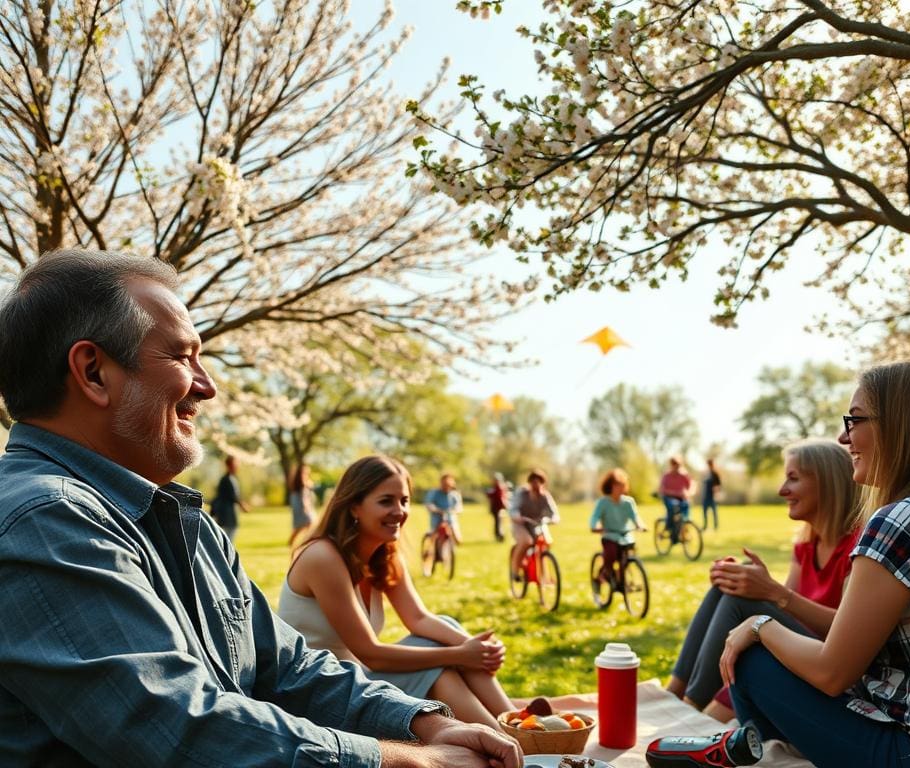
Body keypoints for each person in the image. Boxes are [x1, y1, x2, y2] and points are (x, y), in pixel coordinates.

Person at [0, 249, 521, 768]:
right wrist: (413, 761)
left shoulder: (186, 524)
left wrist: (426, 723)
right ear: (93, 372)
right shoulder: (45, 522)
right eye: (182, 357)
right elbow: (178, 730)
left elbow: (287, 667)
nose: (208, 386)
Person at [720, 359, 910, 768]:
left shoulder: (906, 519)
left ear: (903, 425)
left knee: (750, 660)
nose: (842, 437)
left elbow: (833, 672)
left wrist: (760, 626)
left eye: (855, 420)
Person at [278, 455, 514, 729]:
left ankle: (514, 722)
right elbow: (371, 653)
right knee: (438, 667)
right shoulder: (323, 557)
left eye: (404, 500)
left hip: (355, 680)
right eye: (386, 501)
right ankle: (503, 739)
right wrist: (461, 654)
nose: (399, 511)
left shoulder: (384, 555)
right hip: (318, 695)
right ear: (355, 506)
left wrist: (476, 647)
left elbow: (419, 619)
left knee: (445, 629)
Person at [667, 439, 860, 722]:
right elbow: (784, 609)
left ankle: (690, 707)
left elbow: (850, 631)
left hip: (826, 664)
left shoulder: (857, 546)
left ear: (828, 484)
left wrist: (771, 591)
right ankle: (675, 693)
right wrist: (748, 581)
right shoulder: (807, 545)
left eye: (793, 479)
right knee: (734, 583)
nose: (782, 490)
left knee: (740, 596)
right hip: (796, 649)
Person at [589, 467, 647, 581]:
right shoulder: (603, 502)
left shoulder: (628, 502)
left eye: (622, 485)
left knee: (628, 557)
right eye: (617, 485)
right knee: (611, 554)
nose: (620, 488)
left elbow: (635, 516)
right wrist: (594, 526)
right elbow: (595, 517)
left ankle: (621, 579)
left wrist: (640, 525)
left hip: (625, 535)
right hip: (609, 535)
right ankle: (604, 574)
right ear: (610, 486)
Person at [509, 468, 560, 581]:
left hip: (537, 524)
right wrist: (517, 516)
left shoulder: (545, 496)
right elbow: (513, 508)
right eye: (533, 482)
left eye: (539, 482)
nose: (536, 485)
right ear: (529, 483)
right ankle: (515, 570)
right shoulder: (522, 493)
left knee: (547, 542)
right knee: (526, 542)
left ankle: (544, 573)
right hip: (521, 523)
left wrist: (554, 519)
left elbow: (554, 512)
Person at [210, 454, 250, 541]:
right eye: (236, 464)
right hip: (226, 514)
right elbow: (233, 496)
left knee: (228, 537)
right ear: (229, 465)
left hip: (230, 514)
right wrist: (243, 505)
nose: (237, 466)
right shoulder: (226, 479)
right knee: (227, 539)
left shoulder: (231, 478)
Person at [659, 455, 693, 542]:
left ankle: (684, 527)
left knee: (686, 504)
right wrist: (675, 493)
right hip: (668, 497)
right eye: (674, 465)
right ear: (671, 465)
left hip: (680, 498)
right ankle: (668, 528)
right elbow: (662, 489)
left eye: (678, 465)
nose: (676, 467)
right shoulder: (666, 476)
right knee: (673, 506)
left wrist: (688, 493)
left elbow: (691, 485)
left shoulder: (683, 475)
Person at [424, 473, 463, 544]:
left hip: (450, 516)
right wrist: (435, 509)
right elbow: (429, 503)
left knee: (457, 535)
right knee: (433, 532)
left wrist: (455, 510)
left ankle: (454, 542)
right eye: (444, 485)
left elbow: (459, 506)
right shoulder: (434, 492)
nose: (446, 488)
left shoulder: (455, 494)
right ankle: (430, 547)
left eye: (448, 485)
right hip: (437, 515)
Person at [288, 462, 317, 547]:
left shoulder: (297, 482)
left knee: (300, 526)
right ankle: (306, 542)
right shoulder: (302, 483)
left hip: (298, 506)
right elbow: (304, 497)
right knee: (306, 525)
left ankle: (304, 542)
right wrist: (306, 507)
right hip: (303, 506)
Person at [485, 472, 509, 542]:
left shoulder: (499, 487)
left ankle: (500, 535)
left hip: (499, 508)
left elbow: (500, 497)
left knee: (499, 522)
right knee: (498, 522)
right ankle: (498, 535)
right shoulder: (495, 487)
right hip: (496, 508)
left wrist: (504, 505)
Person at [701, 457, 722, 530]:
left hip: (712, 496)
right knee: (704, 512)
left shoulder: (715, 473)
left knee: (714, 512)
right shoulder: (706, 473)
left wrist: (716, 490)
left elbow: (719, 484)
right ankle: (705, 526)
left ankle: (716, 526)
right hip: (705, 496)